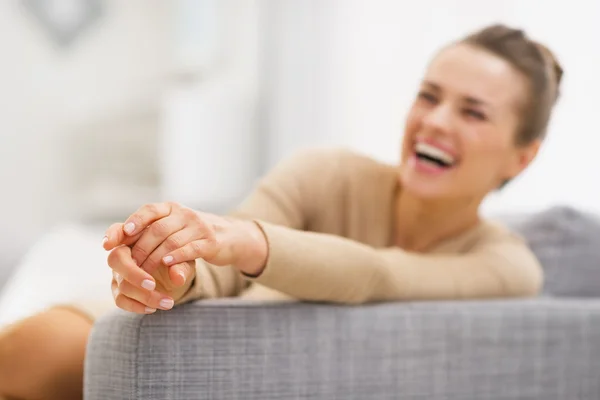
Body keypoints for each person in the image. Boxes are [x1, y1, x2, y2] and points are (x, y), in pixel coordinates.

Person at [0, 23, 562, 400]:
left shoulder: (509, 267)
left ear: (523, 154)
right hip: (159, 338)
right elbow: (213, 273)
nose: (436, 121)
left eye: (473, 112)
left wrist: (244, 241)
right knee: (43, 350)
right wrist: (168, 267)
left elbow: (383, 275)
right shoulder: (326, 173)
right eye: (429, 95)